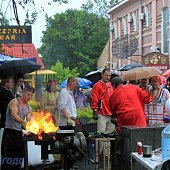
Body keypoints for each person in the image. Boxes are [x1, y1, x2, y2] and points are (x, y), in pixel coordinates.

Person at [1, 85, 35, 170]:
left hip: (19, 134)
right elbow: (13, 115)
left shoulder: (29, 108)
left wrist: (31, 125)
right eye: (28, 94)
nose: (29, 97)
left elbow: (29, 119)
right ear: (23, 93)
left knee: (19, 158)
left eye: (31, 95)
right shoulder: (14, 101)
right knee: (7, 159)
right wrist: (23, 122)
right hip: (9, 133)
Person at [90, 68, 115, 132]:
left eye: (109, 75)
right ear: (102, 75)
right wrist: (95, 110)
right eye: (106, 75)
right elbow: (94, 98)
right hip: (101, 114)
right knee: (101, 135)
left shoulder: (111, 85)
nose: (108, 77)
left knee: (111, 135)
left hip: (111, 115)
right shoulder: (97, 85)